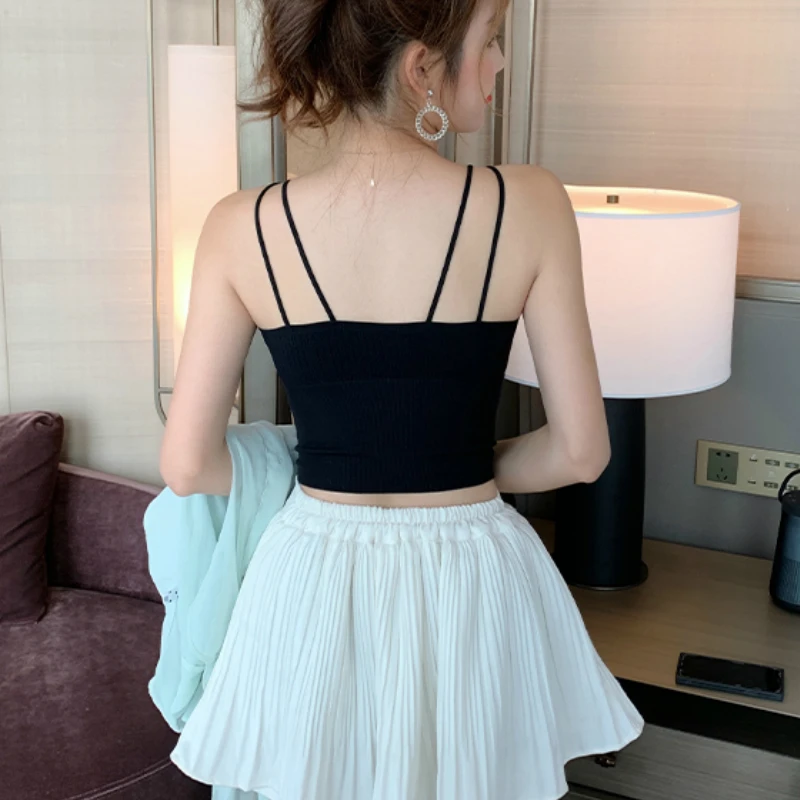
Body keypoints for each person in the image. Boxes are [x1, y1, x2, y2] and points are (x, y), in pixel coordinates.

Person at [159, 0, 644, 797]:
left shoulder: (239, 225)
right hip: (472, 571)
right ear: (422, 67)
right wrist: (452, 464)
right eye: (491, 41)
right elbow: (581, 452)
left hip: (309, 571)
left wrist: (326, 463)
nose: (499, 64)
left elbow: (186, 466)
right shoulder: (530, 202)